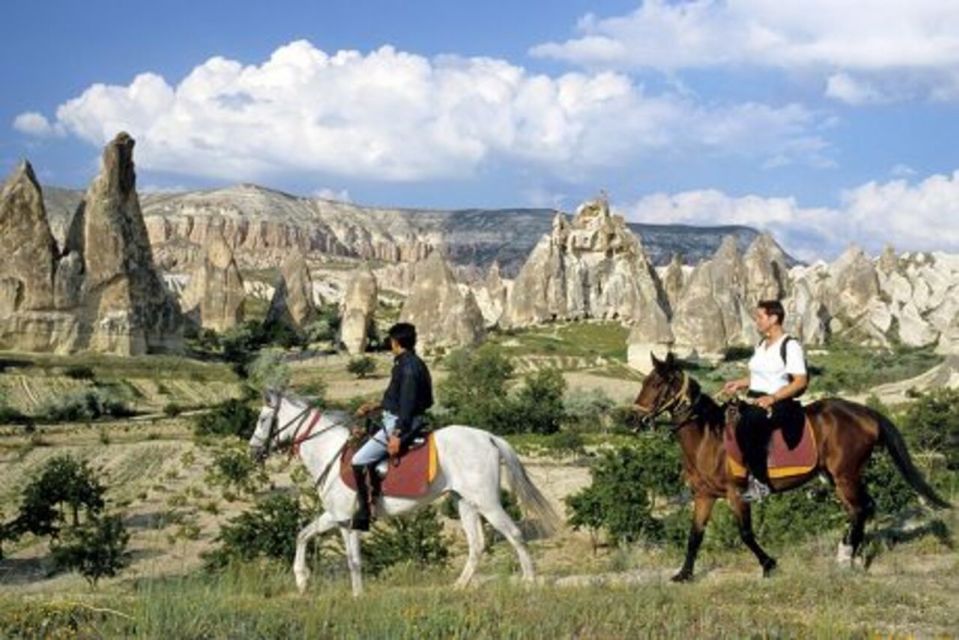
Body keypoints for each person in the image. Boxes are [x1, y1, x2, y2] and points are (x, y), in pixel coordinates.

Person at [350, 322, 434, 530]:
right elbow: (398, 397)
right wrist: (375, 405)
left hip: (399, 423)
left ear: (396, 342)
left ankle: (365, 511)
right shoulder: (409, 363)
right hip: (394, 417)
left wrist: (397, 434)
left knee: (358, 459)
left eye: (391, 340)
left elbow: (406, 404)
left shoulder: (407, 367)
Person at [722, 300, 808, 502]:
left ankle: (760, 481)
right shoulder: (762, 344)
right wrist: (740, 383)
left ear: (774, 318)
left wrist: (773, 397)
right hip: (755, 399)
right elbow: (760, 377)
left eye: (760, 317)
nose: (756, 321)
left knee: (749, 423)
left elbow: (800, 381)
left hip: (780, 402)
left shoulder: (790, 346)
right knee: (722, 414)